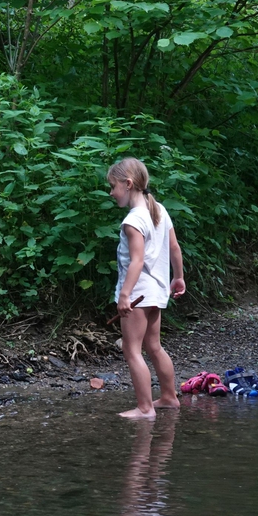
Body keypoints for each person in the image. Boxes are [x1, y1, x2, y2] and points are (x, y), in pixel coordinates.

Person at [108, 158, 186, 419]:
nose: (111, 192)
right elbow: (174, 248)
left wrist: (124, 295)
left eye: (113, 186)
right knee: (154, 346)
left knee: (132, 350)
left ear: (128, 184)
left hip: (138, 293)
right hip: (157, 291)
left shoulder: (133, 220)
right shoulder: (159, 209)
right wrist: (179, 277)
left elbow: (137, 261)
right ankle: (169, 397)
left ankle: (145, 408)